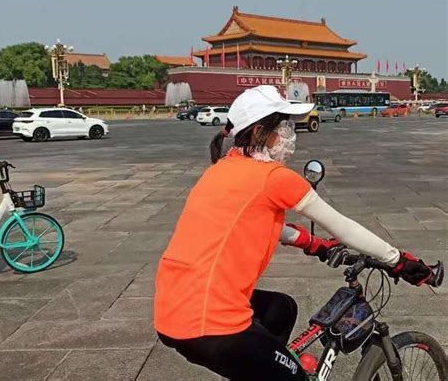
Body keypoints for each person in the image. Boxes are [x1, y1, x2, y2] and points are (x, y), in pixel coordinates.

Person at [154, 86, 433, 381]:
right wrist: (399, 260)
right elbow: (342, 226)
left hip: (172, 309)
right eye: (284, 125)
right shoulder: (273, 178)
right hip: (208, 322)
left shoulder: (221, 170)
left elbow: (252, 223)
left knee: (282, 308)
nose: (290, 133)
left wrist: (313, 244)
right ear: (261, 131)